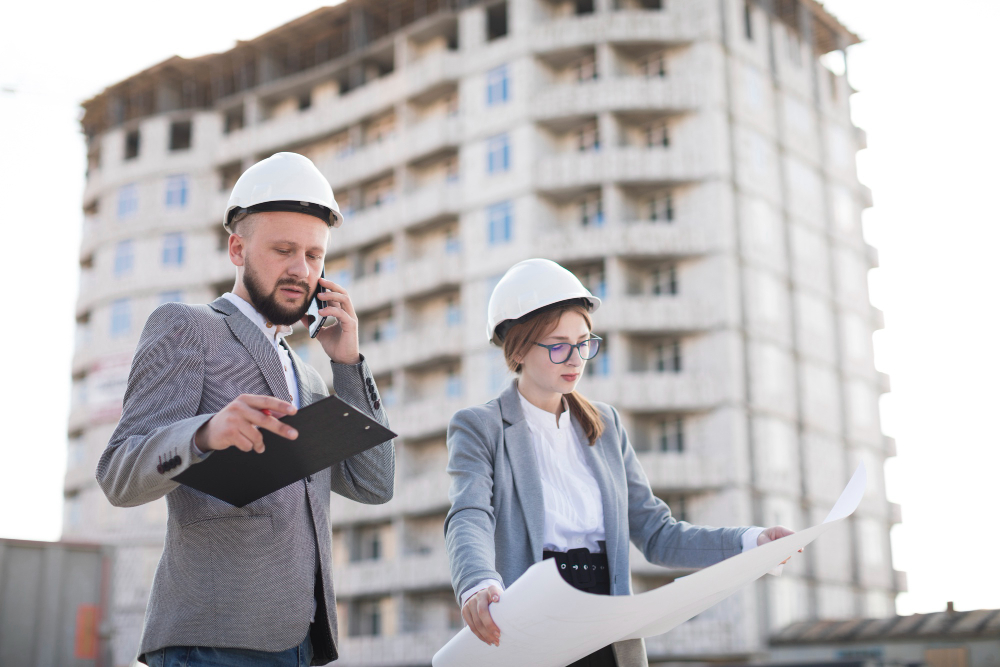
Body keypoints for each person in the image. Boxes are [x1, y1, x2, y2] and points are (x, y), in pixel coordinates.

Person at [96, 152, 395, 667]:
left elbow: (375, 484)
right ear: (238, 248)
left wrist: (348, 362)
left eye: (314, 255)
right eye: (283, 250)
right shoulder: (186, 328)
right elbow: (119, 476)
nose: (301, 270)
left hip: (302, 640)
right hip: (212, 639)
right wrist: (205, 434)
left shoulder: (308, 375)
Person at [444, 258, 798, 667]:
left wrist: (752, 543)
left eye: (584, 343)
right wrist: (477, 583)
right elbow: (469, 514)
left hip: (608, 630)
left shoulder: (605, 425)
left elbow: (658, 533)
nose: (575, 359)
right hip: (531, 624)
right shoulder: (479, 426)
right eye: (558, 345)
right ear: (518, 348)